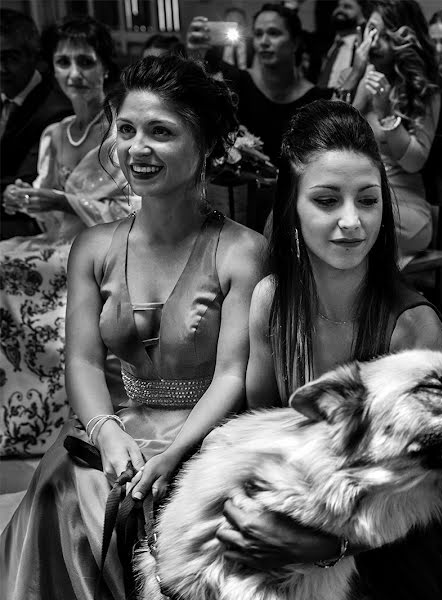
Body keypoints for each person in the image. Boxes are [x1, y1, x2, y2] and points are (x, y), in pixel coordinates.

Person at [0, 54, 267, 600]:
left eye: (160, 132)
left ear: (209, 147)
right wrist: (107, 431)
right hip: (114, 428)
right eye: (126, 129)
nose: (136, 148)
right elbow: (82, 361)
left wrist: (174, 451)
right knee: (66, 487)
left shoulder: (242, 250)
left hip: (207, 431)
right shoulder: (93, 248)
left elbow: (233, 375)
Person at [213, 99, 442, 600]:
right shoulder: (271, 301)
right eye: (326, 200)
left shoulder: (413, 328)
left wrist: (318, 538)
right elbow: (263, 422)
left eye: (367, 200)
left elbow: (427, 485)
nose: (352, 222)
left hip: (407, 516)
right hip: (313, 493)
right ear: (292, 208)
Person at [1, 16, 130, 457]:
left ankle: (68, 413)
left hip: (104, 247)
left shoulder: (117, 132)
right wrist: (29, 202)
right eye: (63, 62)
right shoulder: (53, 134)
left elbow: (133, 208)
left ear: (105, 68)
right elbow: (48, 216)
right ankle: (20, 414)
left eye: (85, 61)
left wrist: (62, 201)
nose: (74, 73)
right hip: (57, 246)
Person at [187, 4, 331, 230]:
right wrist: (196, 53)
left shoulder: (318, 100)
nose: (264, 41)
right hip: (242, 218)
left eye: (274, 33)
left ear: (294, 42)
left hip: (300, 217)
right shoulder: (236, 83)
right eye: (259, 34)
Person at [336, 0, 440, 267]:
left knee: (354, 227)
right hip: (355, 196)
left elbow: (414, 161)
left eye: (385, 35)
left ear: (403, 39)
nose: (375, 42)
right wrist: (356, 73)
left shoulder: (423, 91)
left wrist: (385, 114)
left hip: (403, 206)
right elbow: (326, 133)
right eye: (372, 31)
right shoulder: (361, 77)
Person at [0, 8, 72, 238]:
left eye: (11, 58)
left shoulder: (56, 109)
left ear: (34, 56)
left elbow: (29, 183)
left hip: (28, 219)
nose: (1, 68)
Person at [316, 0, 367, 90]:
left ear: (362, 14)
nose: (340, 10)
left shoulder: (364, 46)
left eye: (347, 7)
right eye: (338, 6)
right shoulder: (323, 42)